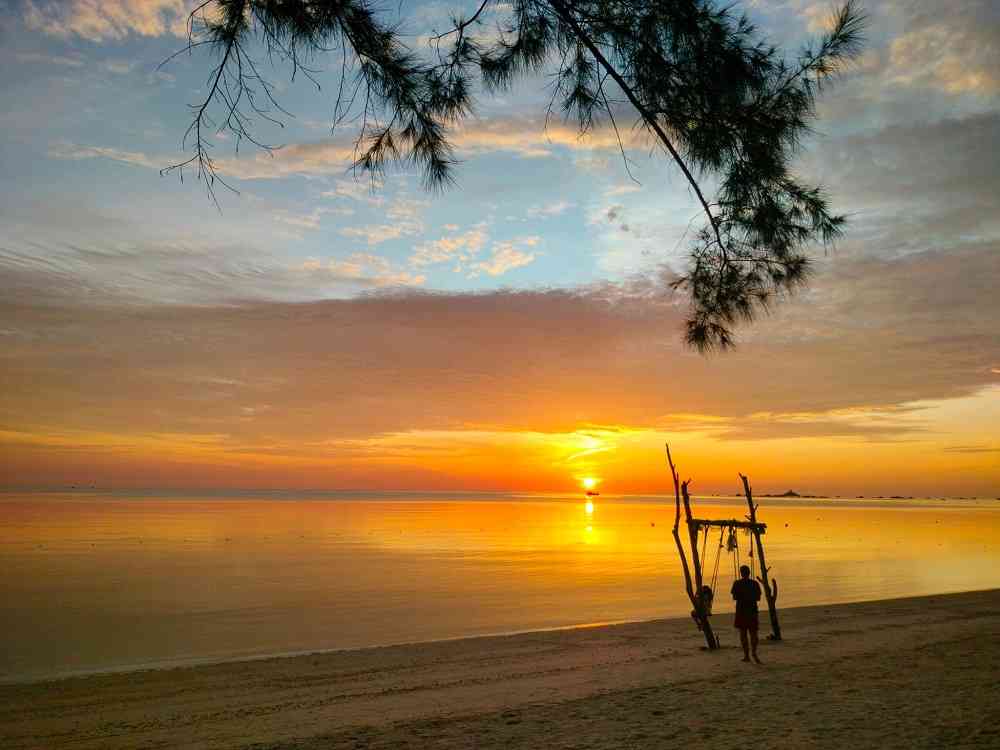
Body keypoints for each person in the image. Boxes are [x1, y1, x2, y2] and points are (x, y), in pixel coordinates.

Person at [731, 564, 762, 663]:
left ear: (741, 573)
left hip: (741, 611)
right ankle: (754, 652)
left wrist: (742, 596)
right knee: (753, 633)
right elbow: (758, 598)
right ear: (749, 573)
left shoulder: (737, 583)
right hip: (752, 610)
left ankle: (746, 655)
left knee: (743, 634)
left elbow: (734, 597)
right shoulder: (754, 583)